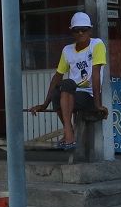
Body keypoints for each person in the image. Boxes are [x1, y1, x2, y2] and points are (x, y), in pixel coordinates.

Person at [29, 12, 107, 151]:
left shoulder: (97, 44)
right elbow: (57, 77)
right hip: (71, 93)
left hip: (88, 96)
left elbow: (96, 75)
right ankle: (69, 130)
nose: (81, 32)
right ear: (72, 32)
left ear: (90, 30)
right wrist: (44, 104)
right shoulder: (67, 50)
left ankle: (68, 135)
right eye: (77, 30)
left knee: (67, 84)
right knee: (58, 91)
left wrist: (97, 104)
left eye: (84, 29)